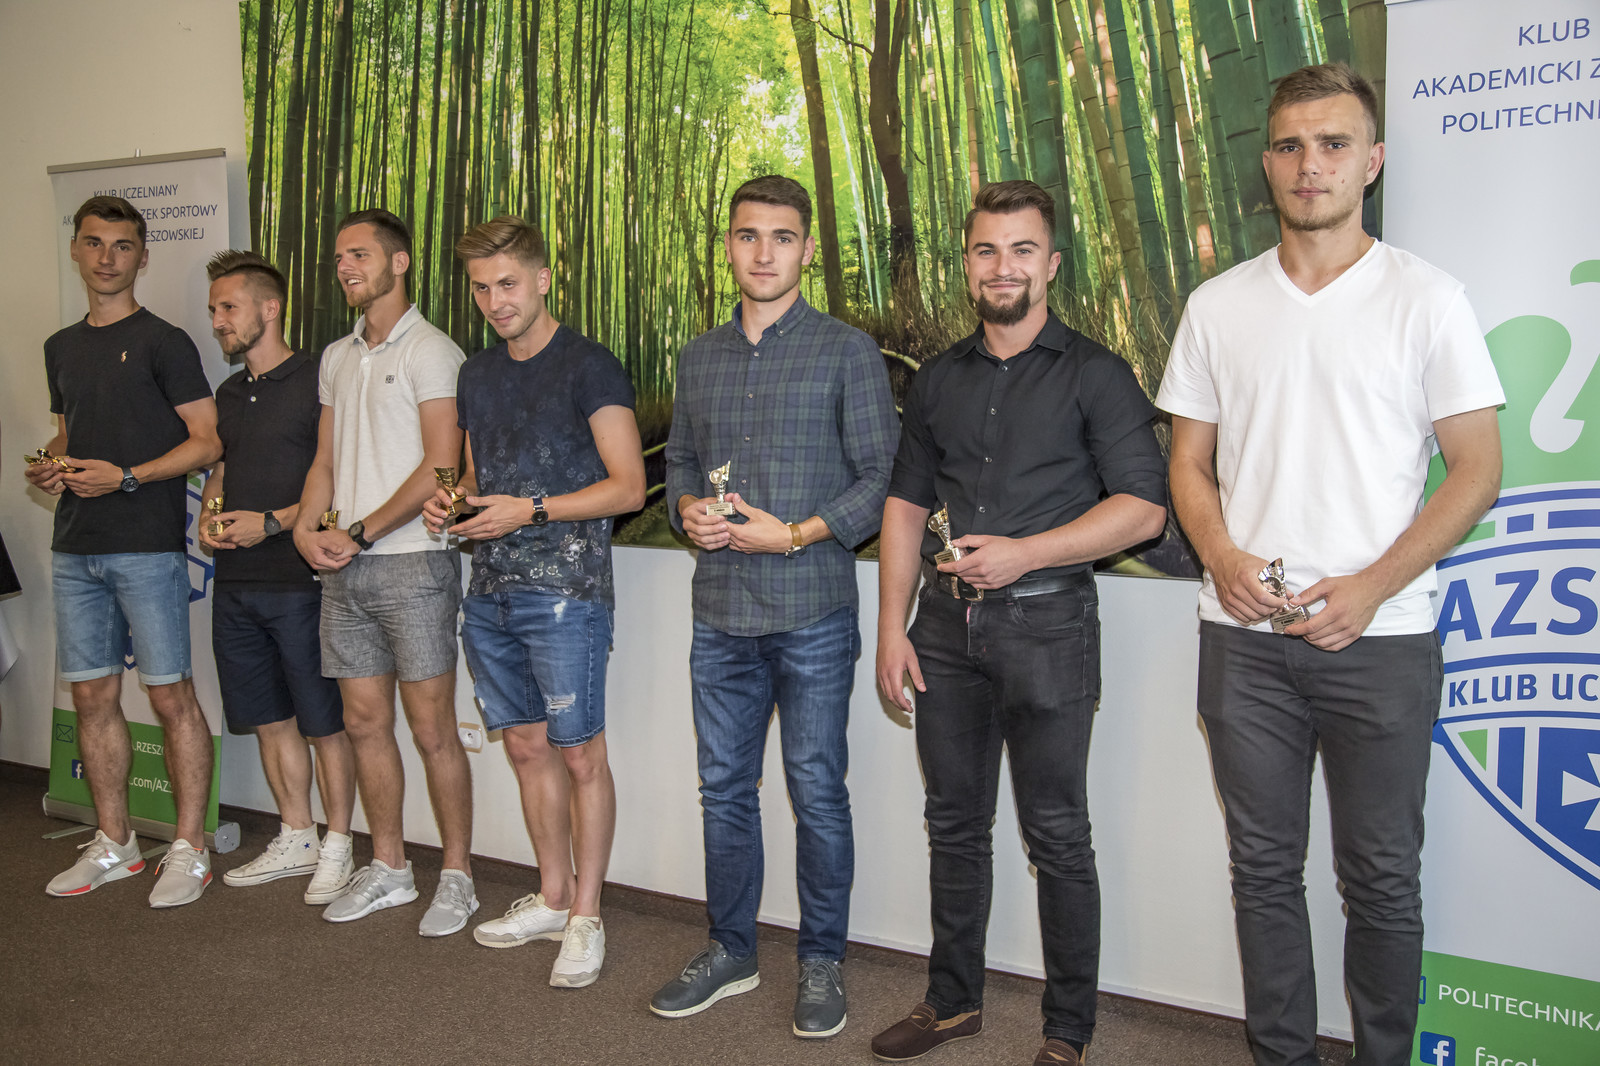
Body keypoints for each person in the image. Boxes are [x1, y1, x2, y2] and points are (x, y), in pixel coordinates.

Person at [1156, 63, 1504, 1066]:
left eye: (1334, 143)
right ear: (1267, 163)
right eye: (1290, 145)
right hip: (1244, 641)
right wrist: (1220, 554)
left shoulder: (1428, 299)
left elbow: (1477, 470)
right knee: (1263, 871)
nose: (1311, 164)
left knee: (1382, 878)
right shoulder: (1218, 305)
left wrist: (1370, 587)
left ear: (1372, 160)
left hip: (1381, 639)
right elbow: (1186, 463)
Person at [873, 180, 1167, 1066]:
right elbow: (903, 505)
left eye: (1023, 249)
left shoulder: (1097, 374)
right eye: (987, 250)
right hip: (942, 635)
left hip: (1049, 631)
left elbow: (1144, 508)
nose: (1004, 266)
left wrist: (1027, 554)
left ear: (1052, 264)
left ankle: (1067, 1032)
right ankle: (951, 1002)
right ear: (968, 265)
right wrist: (891, 625)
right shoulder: (938, 380)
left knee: (1058, 836)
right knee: (954, 825)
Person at [653, 175, 899, 1039]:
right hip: (720, 612)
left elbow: (881, 479)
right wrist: (689, 508)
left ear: (807, 250)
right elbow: (681, 461)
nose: (764, 252)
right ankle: (731, 950)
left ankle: (822, 960)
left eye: (782, 237)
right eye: (748, 235)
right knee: (724, 791)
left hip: (813, 613)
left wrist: (794, 535)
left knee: (817, 792)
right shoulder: (699, 356)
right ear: (728, 245)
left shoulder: (847, 352)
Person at [423, 216, 644, 986]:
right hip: (489, 589)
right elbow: (476, 479)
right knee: (524, 748)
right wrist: (453, 502)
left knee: (581, 754)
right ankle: (551, 896)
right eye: (482, 288)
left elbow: (629, 487)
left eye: (509, 284)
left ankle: (586, 914)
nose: (496, 301)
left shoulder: (590, 364)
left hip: (568, 594)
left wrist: (533, 510)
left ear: (543, 280)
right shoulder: (476, 374)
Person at [28, 195, 223, 907]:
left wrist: (130, 476)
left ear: (142, 256)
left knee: (171, 696)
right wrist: (51, 462)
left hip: (146, 547)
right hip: (75, 546)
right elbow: (68, 431)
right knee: (92, 696)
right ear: (75, 250)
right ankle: (115, 842)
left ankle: (190, 848)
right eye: (94, 243)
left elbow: (207, 442)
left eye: (121, 245)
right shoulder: (60, 345)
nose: (106, 257)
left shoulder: (166, 342)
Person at [291, 209, 474, 935]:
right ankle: (391, 867)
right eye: (339, 256)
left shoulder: (433, 350)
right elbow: (325, 461)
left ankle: (457, 877)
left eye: (360, 254)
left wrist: (360, 531)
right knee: (364, 723)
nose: (345, 266)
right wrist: (307, 527)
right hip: (345, 570)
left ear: (399, 263)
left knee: (433, 731)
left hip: (414, 565)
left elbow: (443, 466)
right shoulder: (337, 357)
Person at [199, 250, 357, 904]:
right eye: (213, 309)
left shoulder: (320, 378)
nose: (218, 321)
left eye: (228, 308)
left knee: (324, 722)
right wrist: (209, 513)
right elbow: (223, 466)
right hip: (236, 585)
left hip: (301, 582)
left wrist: (270, 523)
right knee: (268, 718)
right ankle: (297, 835)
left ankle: (340, 843)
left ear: (270, 308)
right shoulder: (229, 393)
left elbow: (337, 474)